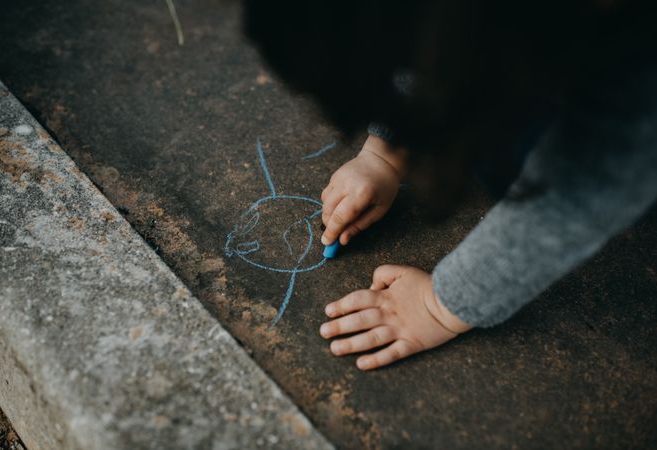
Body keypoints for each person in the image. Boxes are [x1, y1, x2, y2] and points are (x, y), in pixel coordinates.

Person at [243, 0, 657, 370]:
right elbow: (419, 49)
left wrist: (441, 305)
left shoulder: (632, 83)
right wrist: (386, 152)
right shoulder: (454, 25)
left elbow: (575, 197)